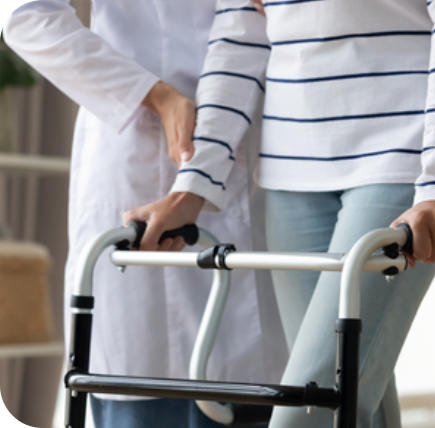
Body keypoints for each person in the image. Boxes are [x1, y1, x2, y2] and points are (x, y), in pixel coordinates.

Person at [127, 0, 435, 427]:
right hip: (291, 175)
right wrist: (191, 187)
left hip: (403, 159)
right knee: (350, 398)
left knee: (308, 408)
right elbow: (238, 37)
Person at [2, 1, 287, 427]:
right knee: (142, 382)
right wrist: (155, 95)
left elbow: (250, 19)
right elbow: (24, 16)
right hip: (132, 140)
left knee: (257, 383)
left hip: (247, 136)